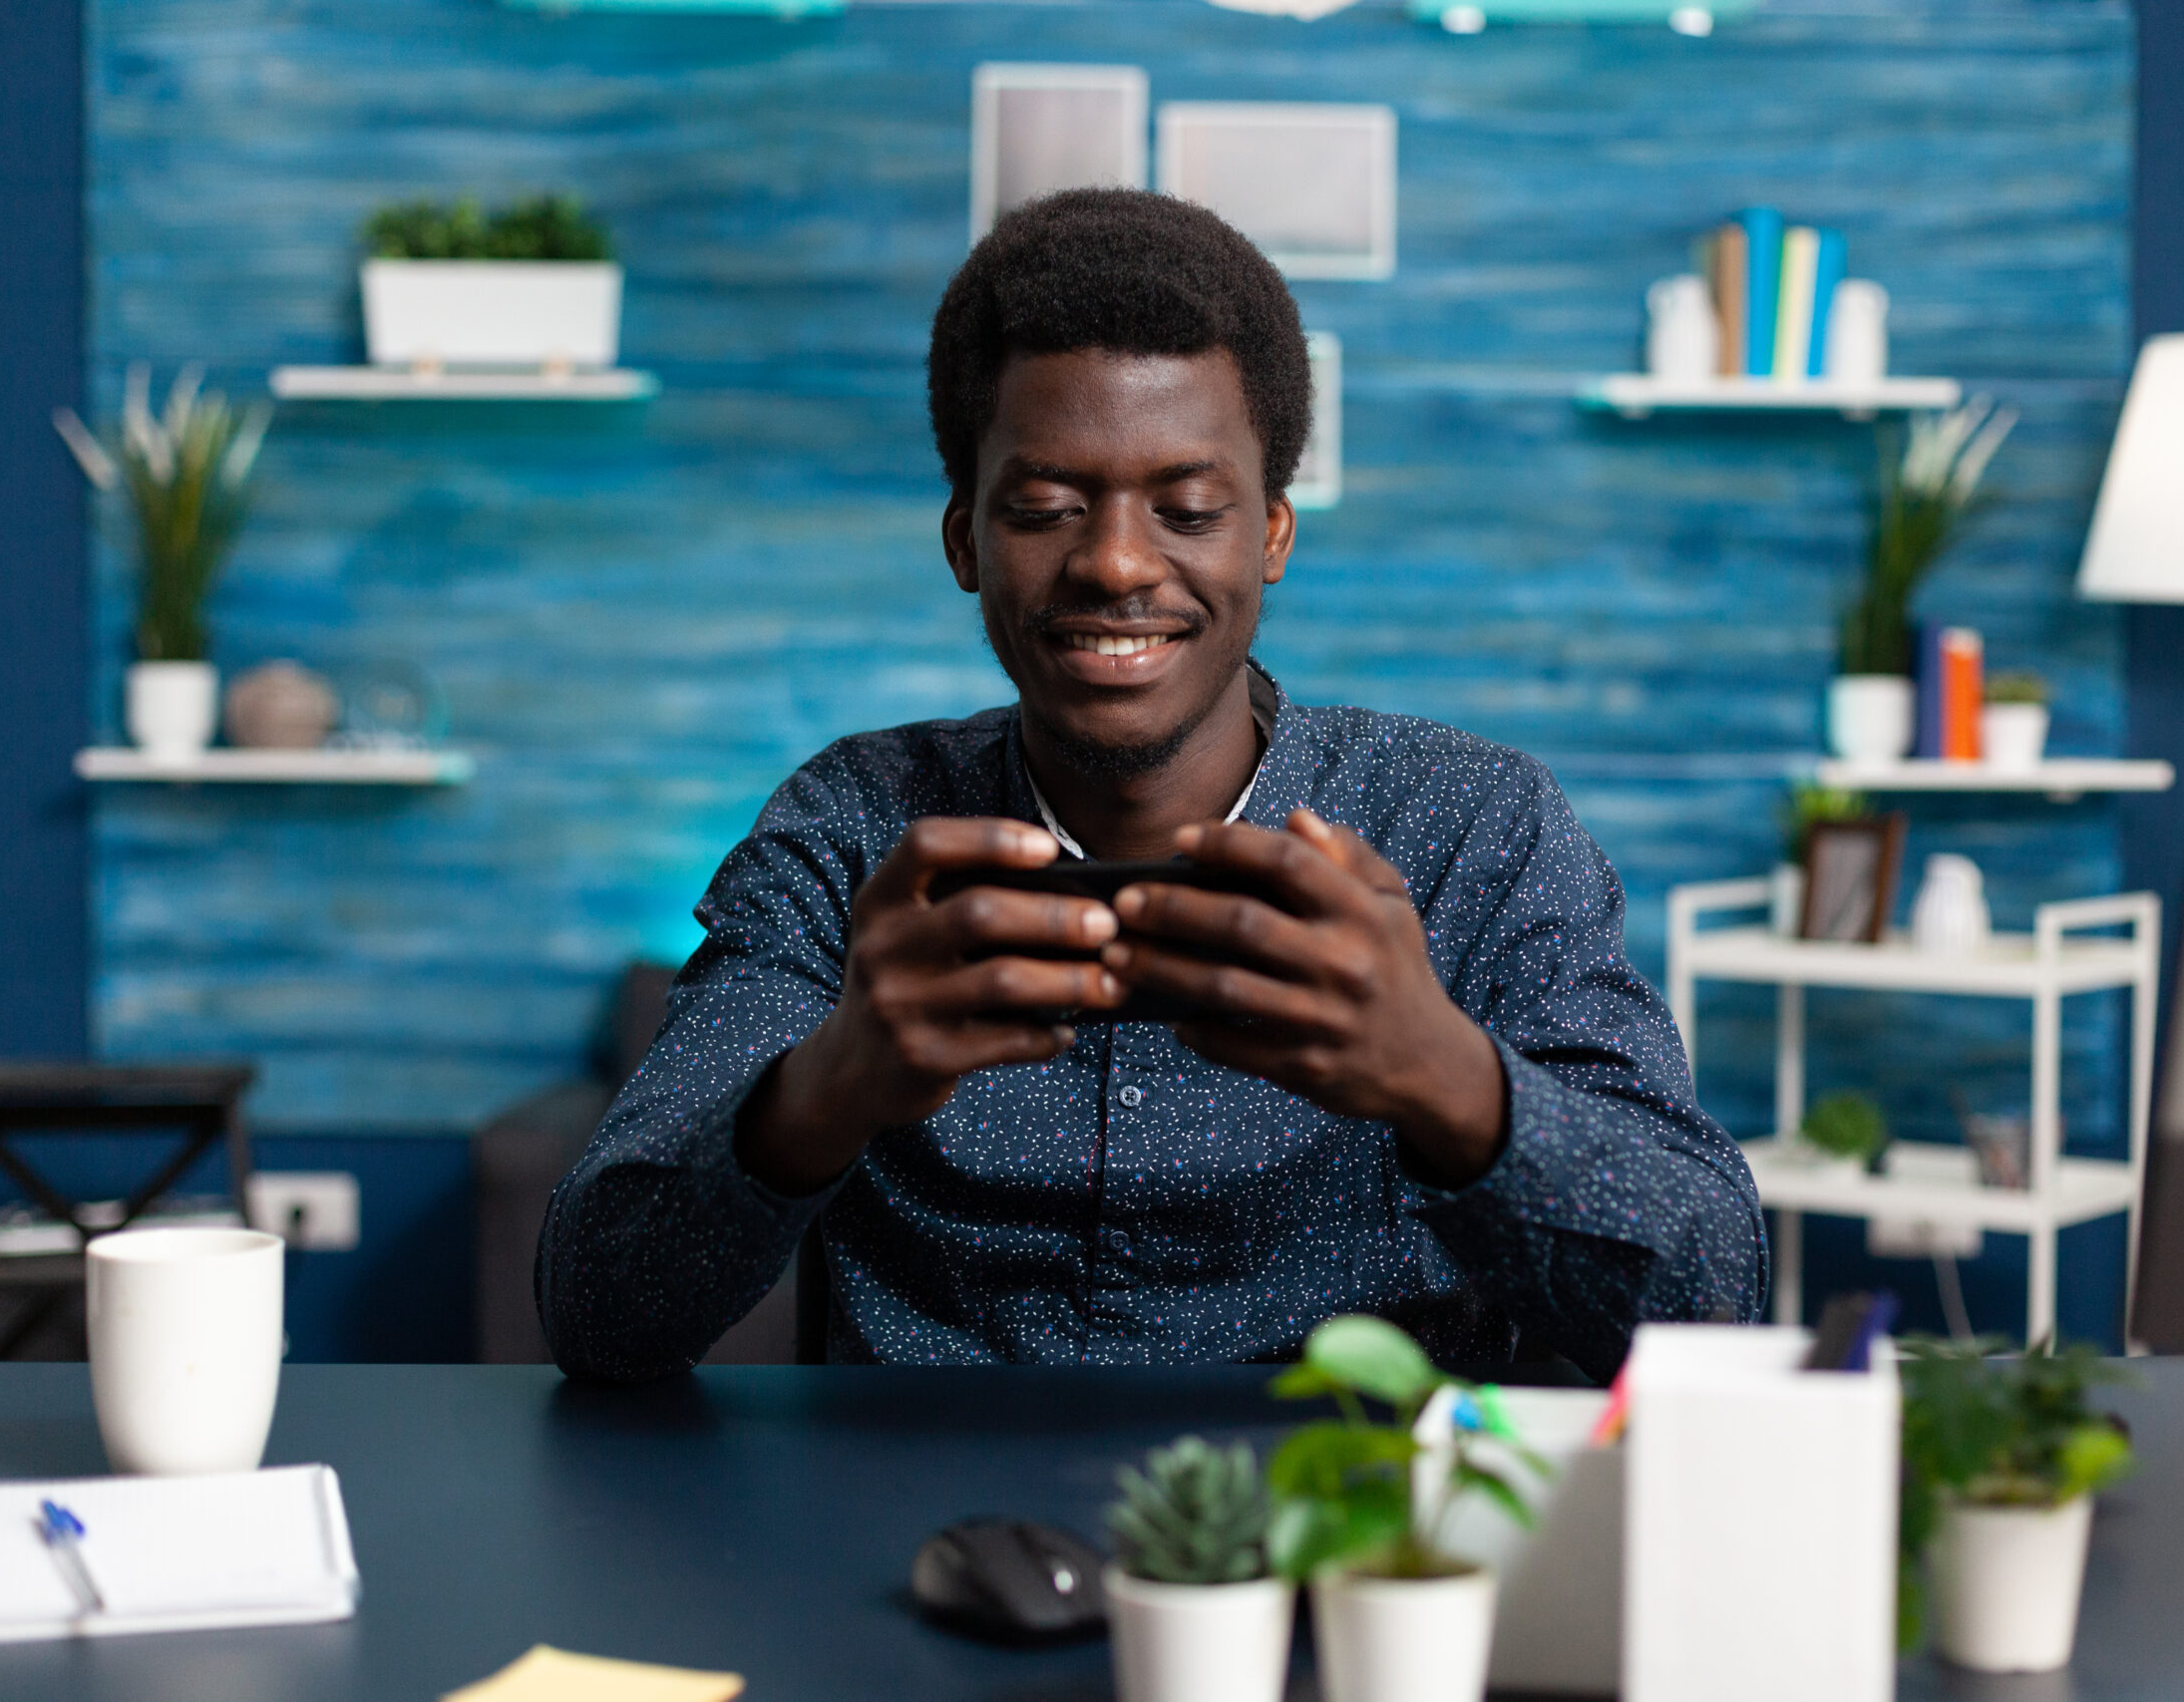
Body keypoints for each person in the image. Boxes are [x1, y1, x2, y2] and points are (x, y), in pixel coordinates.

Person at [539, 188, 1763, 1379]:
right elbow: (595, 1316)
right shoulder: (855, 829)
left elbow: (1718, 1304)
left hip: (1349, 1540)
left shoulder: (1469, 831)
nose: (1117, 561)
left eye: (1186, 508)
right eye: (1047, 507)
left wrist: (1446, 1076)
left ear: (1270, 534)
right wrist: (827, 1087)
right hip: (917, 1541)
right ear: (965, 539)